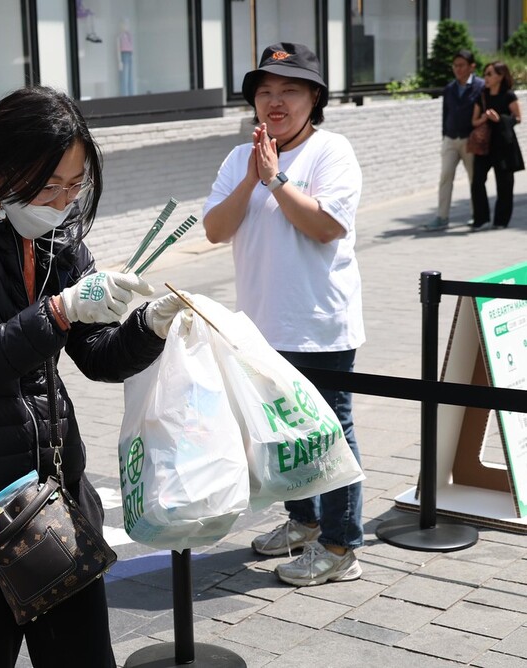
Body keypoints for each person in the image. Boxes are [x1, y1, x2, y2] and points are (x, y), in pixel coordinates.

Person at [0, 86, 186, 667]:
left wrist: (150, 327)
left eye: (73, 184)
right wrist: (61, 309)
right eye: (47, 185)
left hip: (57, 495)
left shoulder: (60, 245)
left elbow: (98, 356)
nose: (61, 201)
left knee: (84, 657)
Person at [202, 43, 365, 587]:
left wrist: (275, 178)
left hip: (320, 323)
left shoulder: (332, 151)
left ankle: (341, 547)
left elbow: (325, 227)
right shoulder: (235, 158)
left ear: (313, 97)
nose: (275, 101)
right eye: (264, 91)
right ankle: (304, 522)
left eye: (289, 89)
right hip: (260, 324)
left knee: (331, 432)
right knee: (286, 432)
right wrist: (253, 175)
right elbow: (215, 230)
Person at [424, 49, 484, 232]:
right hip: (451, 139)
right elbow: (446, 114)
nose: (457, 69)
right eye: (455, 65)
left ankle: (477, 215)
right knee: (445, 176)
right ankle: (442, 217)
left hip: (470, 140)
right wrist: (444, 136)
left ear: (471, 67)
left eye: (461, 65)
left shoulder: (480, 87)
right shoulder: (450, 88)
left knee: (475, 179)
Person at [470, 60, 524, 232]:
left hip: (503, 144)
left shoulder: (508, 95)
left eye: (489, 74)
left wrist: (499, 119)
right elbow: (474, 121)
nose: (485, 77)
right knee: (477, 180)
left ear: (500, 76)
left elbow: (518, 118)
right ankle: (481, 219)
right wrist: (485, 118)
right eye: (485, 74)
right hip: (484, 145)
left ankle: (501, 220)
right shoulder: (482, 95)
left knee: (505, 184)